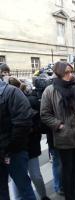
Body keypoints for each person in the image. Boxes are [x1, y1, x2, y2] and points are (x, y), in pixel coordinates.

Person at [40, 61, 75, 200]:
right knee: (66, 169)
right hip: (63, 137)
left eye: (71, 72)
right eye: (66, 72)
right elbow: (44, 114)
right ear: (59, 73)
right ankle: (69, 196)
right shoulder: (50, 90)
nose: (70, 75)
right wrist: (59, 125)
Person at [0, 72, 36, 200]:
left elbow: (23, 122)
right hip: (9, 149)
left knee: (24, 189)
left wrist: (9, 148)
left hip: (14, 152)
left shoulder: (12, 92)